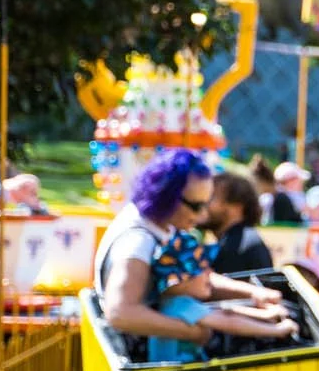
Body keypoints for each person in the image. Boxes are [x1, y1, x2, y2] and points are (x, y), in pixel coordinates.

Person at [95, 149, 281, 352]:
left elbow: (192, 275)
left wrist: (255, 293)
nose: (201, 216)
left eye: (206, 205)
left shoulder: (158, 223)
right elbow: (121, 312)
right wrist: (191, 332)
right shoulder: (137, 242)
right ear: (168, 197)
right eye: (195, 206)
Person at [143, 230, 295, 364]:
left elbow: (222, 311)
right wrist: (277, 330)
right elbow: (229, 321)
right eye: (203, 269)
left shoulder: (176, 303)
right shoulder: (181, 305)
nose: (211, 273)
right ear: (181, 280)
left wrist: (265, 314)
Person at [205, 171, 276, 276]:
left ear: (237, 206)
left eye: (212, 197)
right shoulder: (241, 241)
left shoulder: (237, 247)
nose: (203, 203)